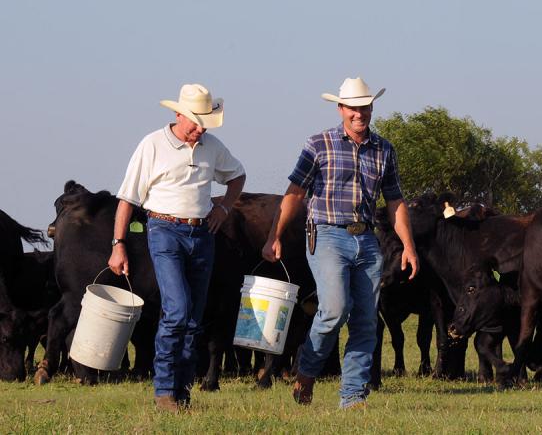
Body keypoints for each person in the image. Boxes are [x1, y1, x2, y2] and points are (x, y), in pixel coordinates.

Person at [262, 77, 418, 409]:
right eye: (352, 107)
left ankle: (353, 396)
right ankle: (306, 370)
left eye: (364, 107)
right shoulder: (318, 144)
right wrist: (274, 235)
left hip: (367, 238)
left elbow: (395, 201)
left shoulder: (384, 149)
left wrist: (408, 245)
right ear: (341, 109)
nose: (359, 113)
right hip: (326, 234)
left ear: (372, 107)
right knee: (334, 309)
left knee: (365, 320)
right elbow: (294, 194)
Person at [108, 83, 245, 412]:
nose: (200, 129)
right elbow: (127, 199)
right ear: (178, 114)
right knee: (178, 310)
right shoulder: (152, 144)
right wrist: (118, 244)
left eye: (205, 123)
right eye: (195, 122)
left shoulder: (213, 146)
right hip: (164, 231)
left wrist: (223, 209)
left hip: (201, 235)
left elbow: (237, 176)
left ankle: (182, 392)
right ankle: (164, 391)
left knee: (194, 319)